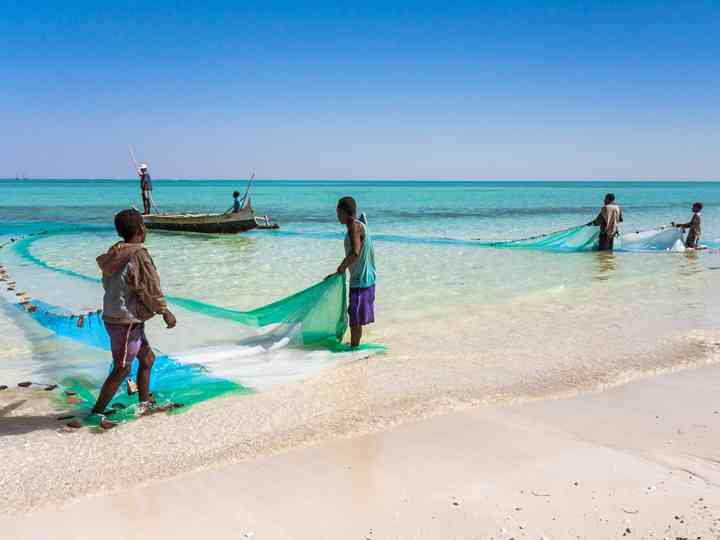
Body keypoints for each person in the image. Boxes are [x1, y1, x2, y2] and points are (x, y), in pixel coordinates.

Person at [91, 208, 176, 428]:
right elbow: (150, 285)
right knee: (123, 369)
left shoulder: (115, 251)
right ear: (141, 228)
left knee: (147, 359)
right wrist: (164, 310)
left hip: (116, 315)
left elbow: (115, 283)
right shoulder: (139, 254)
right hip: (126, 321)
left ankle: (144, 403)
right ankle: (96, 412)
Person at [331, 196, 377, 347]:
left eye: (338, 211)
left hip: (361, 280)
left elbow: (355, 252)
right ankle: (355, 344)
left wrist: (341, 268)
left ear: (344, 212)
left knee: (355, 318)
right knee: (355, 315)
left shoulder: (354, 226)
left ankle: (354, 347)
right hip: (366, 278)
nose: (337, 215)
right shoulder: (359, 224)